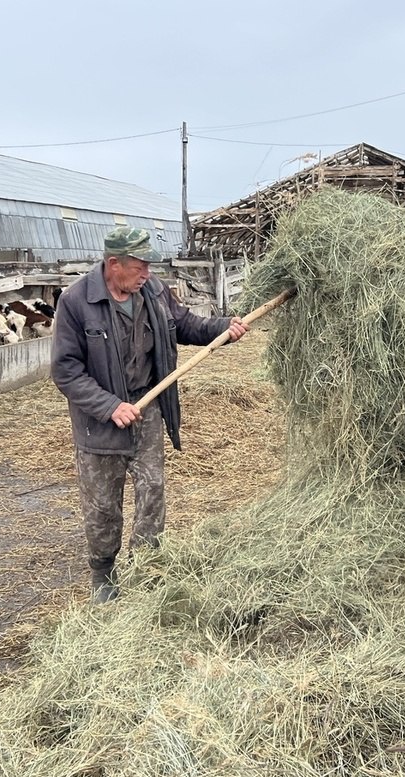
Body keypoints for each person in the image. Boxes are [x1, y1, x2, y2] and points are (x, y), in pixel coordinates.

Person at [51, 226, 248, 603]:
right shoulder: (76, 302)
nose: (147, 273)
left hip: (148, 410)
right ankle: (104, 574)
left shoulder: (153, 291)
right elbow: (66, 371)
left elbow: (186, 325)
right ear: (113, 264)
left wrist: (223, 328)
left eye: (148, 266)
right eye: (139, 266)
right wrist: (110, 407)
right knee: (103, 503)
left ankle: (146, 567)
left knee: (152, 491)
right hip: (101, 423)